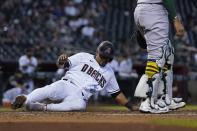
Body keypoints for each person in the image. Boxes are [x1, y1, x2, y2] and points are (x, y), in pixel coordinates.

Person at [11, 41, 133, 111]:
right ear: (97, 52)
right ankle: (26, 99)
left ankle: (40, 107)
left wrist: (131, 106)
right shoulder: (83, 56)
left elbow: (116, 93)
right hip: (67, 84)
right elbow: (61, 65)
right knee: (50, 89)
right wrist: (61, 60)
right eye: (103, 56)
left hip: (81, 97)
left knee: (79, 106)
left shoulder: (109, 72)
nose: (105, 60)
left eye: (108, 59)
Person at [134, 0, 186, 113]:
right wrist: (176, 19)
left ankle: (166, 98)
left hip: (144, 9)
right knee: (157, 56)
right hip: (154, 11)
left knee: (168, 54)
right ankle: (148, 101)